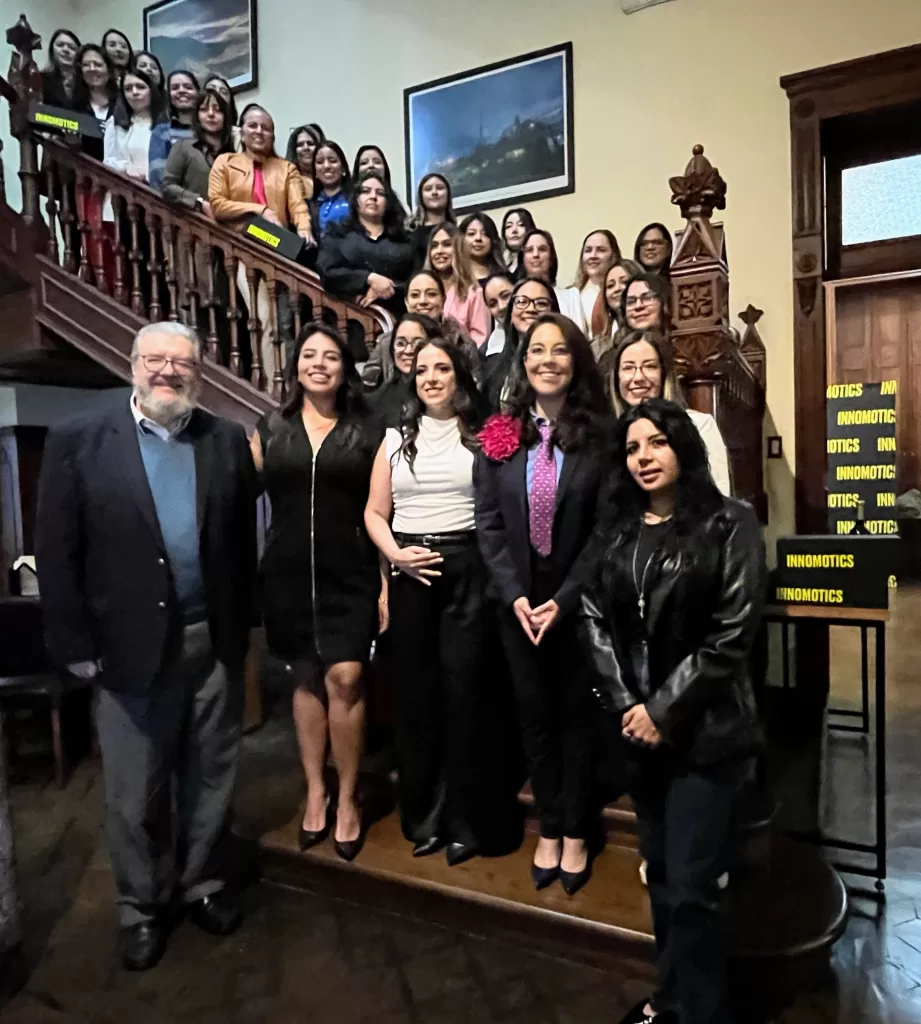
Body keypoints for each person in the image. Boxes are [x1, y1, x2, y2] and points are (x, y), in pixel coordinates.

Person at [34, 322, 257, 971]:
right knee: (134, 793)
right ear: (133, 365)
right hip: (125, 649)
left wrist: (240, 630)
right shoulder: (79, 438)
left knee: (211, 777)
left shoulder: (223, 440)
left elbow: (238, 542)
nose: (168, 371)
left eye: (182, 362)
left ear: (199, 372)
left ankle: (203, 883)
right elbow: (56, 551)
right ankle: (141, 907)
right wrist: (74, 643)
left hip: (209, 641)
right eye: (155, 359)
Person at [579, 398, 765, 1024]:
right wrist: (628, 705)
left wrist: (662, 710)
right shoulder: (617, 529)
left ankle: (702, 1011)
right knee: (659, 875)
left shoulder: (730, 522)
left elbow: (730, 636)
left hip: (705, 733)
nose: (644, 457)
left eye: (656, 442)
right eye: (633, 448)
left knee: (692, 889)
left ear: (683, 446)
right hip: (638, 734)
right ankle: (671, 999)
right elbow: (593, 617)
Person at [475, 313, 611, 896]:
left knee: (575, 719)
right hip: (517, 605)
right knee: (533, 717)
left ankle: (576, 828)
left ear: (575, 362)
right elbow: (488, 523)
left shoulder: (601, 436)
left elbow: (606, 530)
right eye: (536, 350)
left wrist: (564, 599)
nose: (547, 360)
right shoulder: (501, 433)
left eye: (559, 351)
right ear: (523, 360)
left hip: (577, 603)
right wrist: (515, 596)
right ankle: (549, 826)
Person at [365, 339, 502, 865]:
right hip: (410, 573)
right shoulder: (394, 438)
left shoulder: (483, 435)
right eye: (422, 369)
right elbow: (374, 512)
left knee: (466, 696)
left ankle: (468, 820)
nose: (431, 377)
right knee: (417, 700)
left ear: (459, 376)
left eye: (442, 368)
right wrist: (395, 556)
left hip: (468, 569)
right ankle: (425, 817)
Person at [251, 323, 382, 863]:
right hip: (285, 575)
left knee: (346, 678)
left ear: (344, 368)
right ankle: (315, 789)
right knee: (304, 677)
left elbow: (383, 510)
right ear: (296, 365)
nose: (320, 364)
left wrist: (385, 584)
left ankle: (348, 796)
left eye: (331, 356)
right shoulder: (270, 427)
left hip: (351, 572)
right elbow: (234, 490)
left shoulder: (368, 431)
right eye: (310, 355)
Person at [209, 104, 313, 383]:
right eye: (253, 126)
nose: (259, 131)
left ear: (273, 135)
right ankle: (272, 386)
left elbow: (298, 206)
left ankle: (287, 382)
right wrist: (259, 210)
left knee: (285, 323)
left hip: (278, 251)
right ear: (241, 131)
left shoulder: (286, 168)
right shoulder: (225, 163)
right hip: (243, 251)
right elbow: (217, 205)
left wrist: (304, 228)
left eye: (265, 128)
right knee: (264, 318)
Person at [601, 330, 732, 496]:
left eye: (649, 366)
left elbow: (720, 496)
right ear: (616, 377)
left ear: (664, 374)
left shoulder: (699, 425)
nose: (638, 377)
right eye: (628, 367)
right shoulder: (606, 434)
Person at [162, 90, 235, 334]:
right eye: (205, 109)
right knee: (200, 297)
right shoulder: (185, 148)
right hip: (194, 232)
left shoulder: (235, 152)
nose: (211, 115)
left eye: (218, 110)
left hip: (230, 234)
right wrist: (199, 202)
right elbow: (168, 186)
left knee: (230, 302)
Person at [318, 171, 414, 344]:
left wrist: (385, 288)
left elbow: (415, 280)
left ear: (388, 201)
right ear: (356, 199)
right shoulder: (338, 234)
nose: (373, 197)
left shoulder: (403, 239)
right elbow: (328, 272)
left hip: (398, 324)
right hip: (350, 325)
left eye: (380, 193)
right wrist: (369, 279)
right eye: (366, 191)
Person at [485, 276, 560, 409]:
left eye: (541, 303)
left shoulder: (566, 360)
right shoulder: (494, 366)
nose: (530, 309)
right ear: (511, 312)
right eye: (521, 301)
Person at [368, 312, 441, 428]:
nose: (408, 351)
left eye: (418, 343)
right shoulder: (377, 401)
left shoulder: (447, 395)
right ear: (392, 350)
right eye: (401, 343)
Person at [424, 223, 491, 346]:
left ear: (458, 249)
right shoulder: (421, 291)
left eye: (447, 244)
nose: (439, 251)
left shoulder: (474, 292)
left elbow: (480, 341)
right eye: (434, 246)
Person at [103, 67, 166, 184]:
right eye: (128, 89)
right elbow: (108, 160)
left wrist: (147, 173)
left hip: (155, 188)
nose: (134, 92)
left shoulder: (165, 124)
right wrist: (126, 167)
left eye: (140, 87)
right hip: (123, 186)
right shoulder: (115, 122)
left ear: (151, 91)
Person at [148, 70, 200, 189]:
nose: (181, 91)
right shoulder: (161, 131)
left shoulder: (208, 129)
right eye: (175, 88)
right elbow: (157, 174)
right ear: (170, 96)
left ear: (198, 93)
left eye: (188, 87)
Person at [562, 230, 621, 337]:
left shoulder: (618, 292)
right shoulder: (570, 293)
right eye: (588, 250)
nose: (593, 256)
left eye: (601, 250)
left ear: (613, 255)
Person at [519, 228, 582, 327]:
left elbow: (579, 333)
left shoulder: (571, 296)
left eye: (542, 249)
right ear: (522, 258)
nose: (536, 255)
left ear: (551, 256)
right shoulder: (516, 299)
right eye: (529, 250)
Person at [593, 258, 643, 362]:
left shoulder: (650, 334)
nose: (617, 289)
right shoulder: (597, 346)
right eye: (610, 285)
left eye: (624, 282)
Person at [407, 173, 455, 270]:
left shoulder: (457, 232)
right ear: (421, 196)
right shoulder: (410, 233)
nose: (434, 192)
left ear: (448, 194)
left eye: (440, 188)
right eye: (428, 189)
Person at [309, 141, 352, 237]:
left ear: (343, 168)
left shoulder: (356, 199)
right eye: (320, 162)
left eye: (332, 161)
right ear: (315, 171)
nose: (326, 166)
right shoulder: (309, 206)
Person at [459, 212, 505, 285]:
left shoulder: (505, 278)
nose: (478, 238)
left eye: (485, 234)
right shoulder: (454, 279)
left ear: (493, 240)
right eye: (471, 234)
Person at [42, 29, 81, 107]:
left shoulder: (85, 82)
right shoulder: (40, 79)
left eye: (72, 48)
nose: (66, 50)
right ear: (52, 50)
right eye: (60, 45)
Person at [286, 124, 324, 199]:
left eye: (310, 144)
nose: (306, 148)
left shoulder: (330, 179)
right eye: (300, 145)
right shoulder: (287, 180)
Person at [501, 208, 536, 276]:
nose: (514, 230)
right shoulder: (499, 265)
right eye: (508, 226)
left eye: (521, 225)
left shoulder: (536, 259)